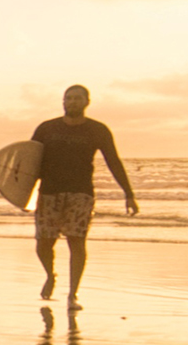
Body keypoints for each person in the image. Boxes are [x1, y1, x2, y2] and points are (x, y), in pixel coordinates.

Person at [28, 84, 136, 305]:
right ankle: (50, 275)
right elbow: (29, 161)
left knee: (77, 241)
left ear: (87, 102)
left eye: (78, 98)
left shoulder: (98, 130)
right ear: (63, 102)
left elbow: (113, 161)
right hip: (49, 192)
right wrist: (23, 194)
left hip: (81, 193)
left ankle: (72, 294)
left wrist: (129, 193)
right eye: (69, 98)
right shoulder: (46, 129)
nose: (73, 102)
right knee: (43, 243)